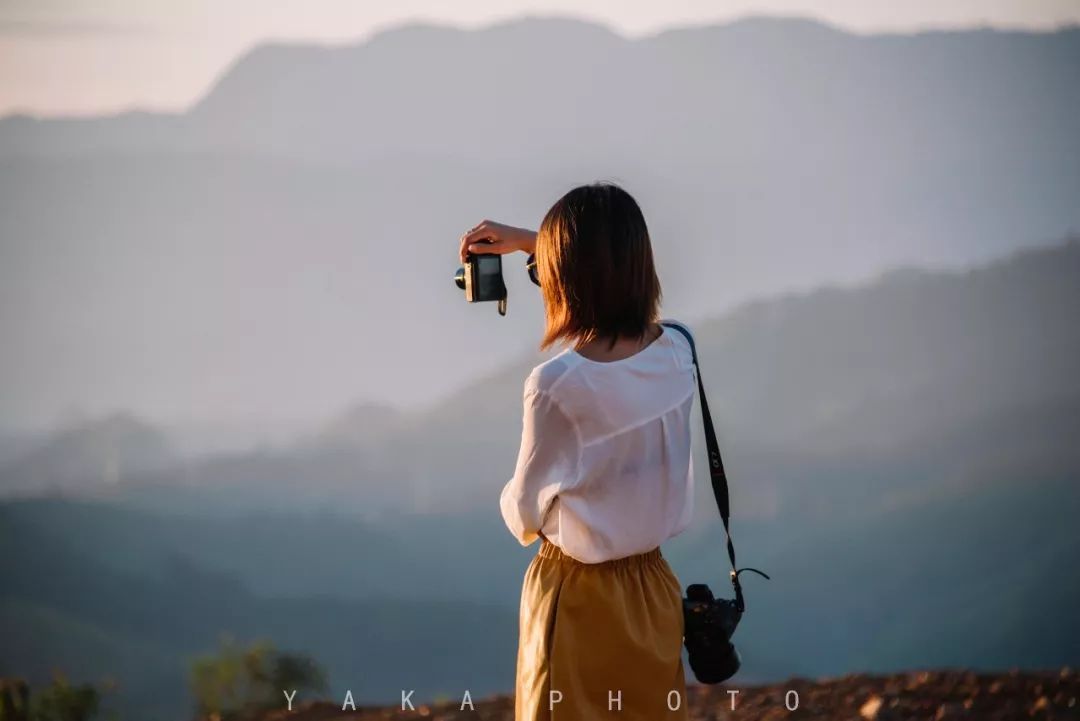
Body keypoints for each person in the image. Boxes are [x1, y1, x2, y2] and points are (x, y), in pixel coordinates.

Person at [459, 183, 697, 721]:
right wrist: (533, 243)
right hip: (654, 591)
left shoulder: (556, 385)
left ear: (565, 277)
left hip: (578, 597)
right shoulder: (681, 350)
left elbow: (524, 514)